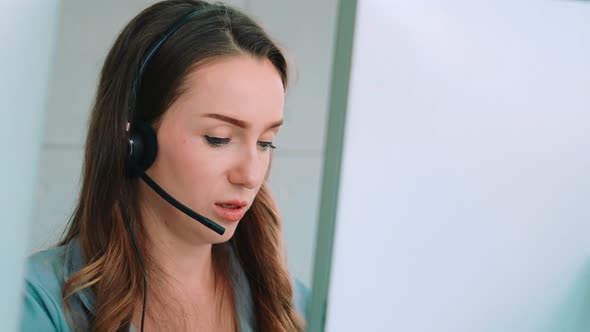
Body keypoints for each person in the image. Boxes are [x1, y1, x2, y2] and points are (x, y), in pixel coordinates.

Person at [19, 1, 309, 331]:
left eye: (265, 142)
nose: (251, 175)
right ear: (135, 143)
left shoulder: (298, 307)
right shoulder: (34, 304)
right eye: (218, 138)